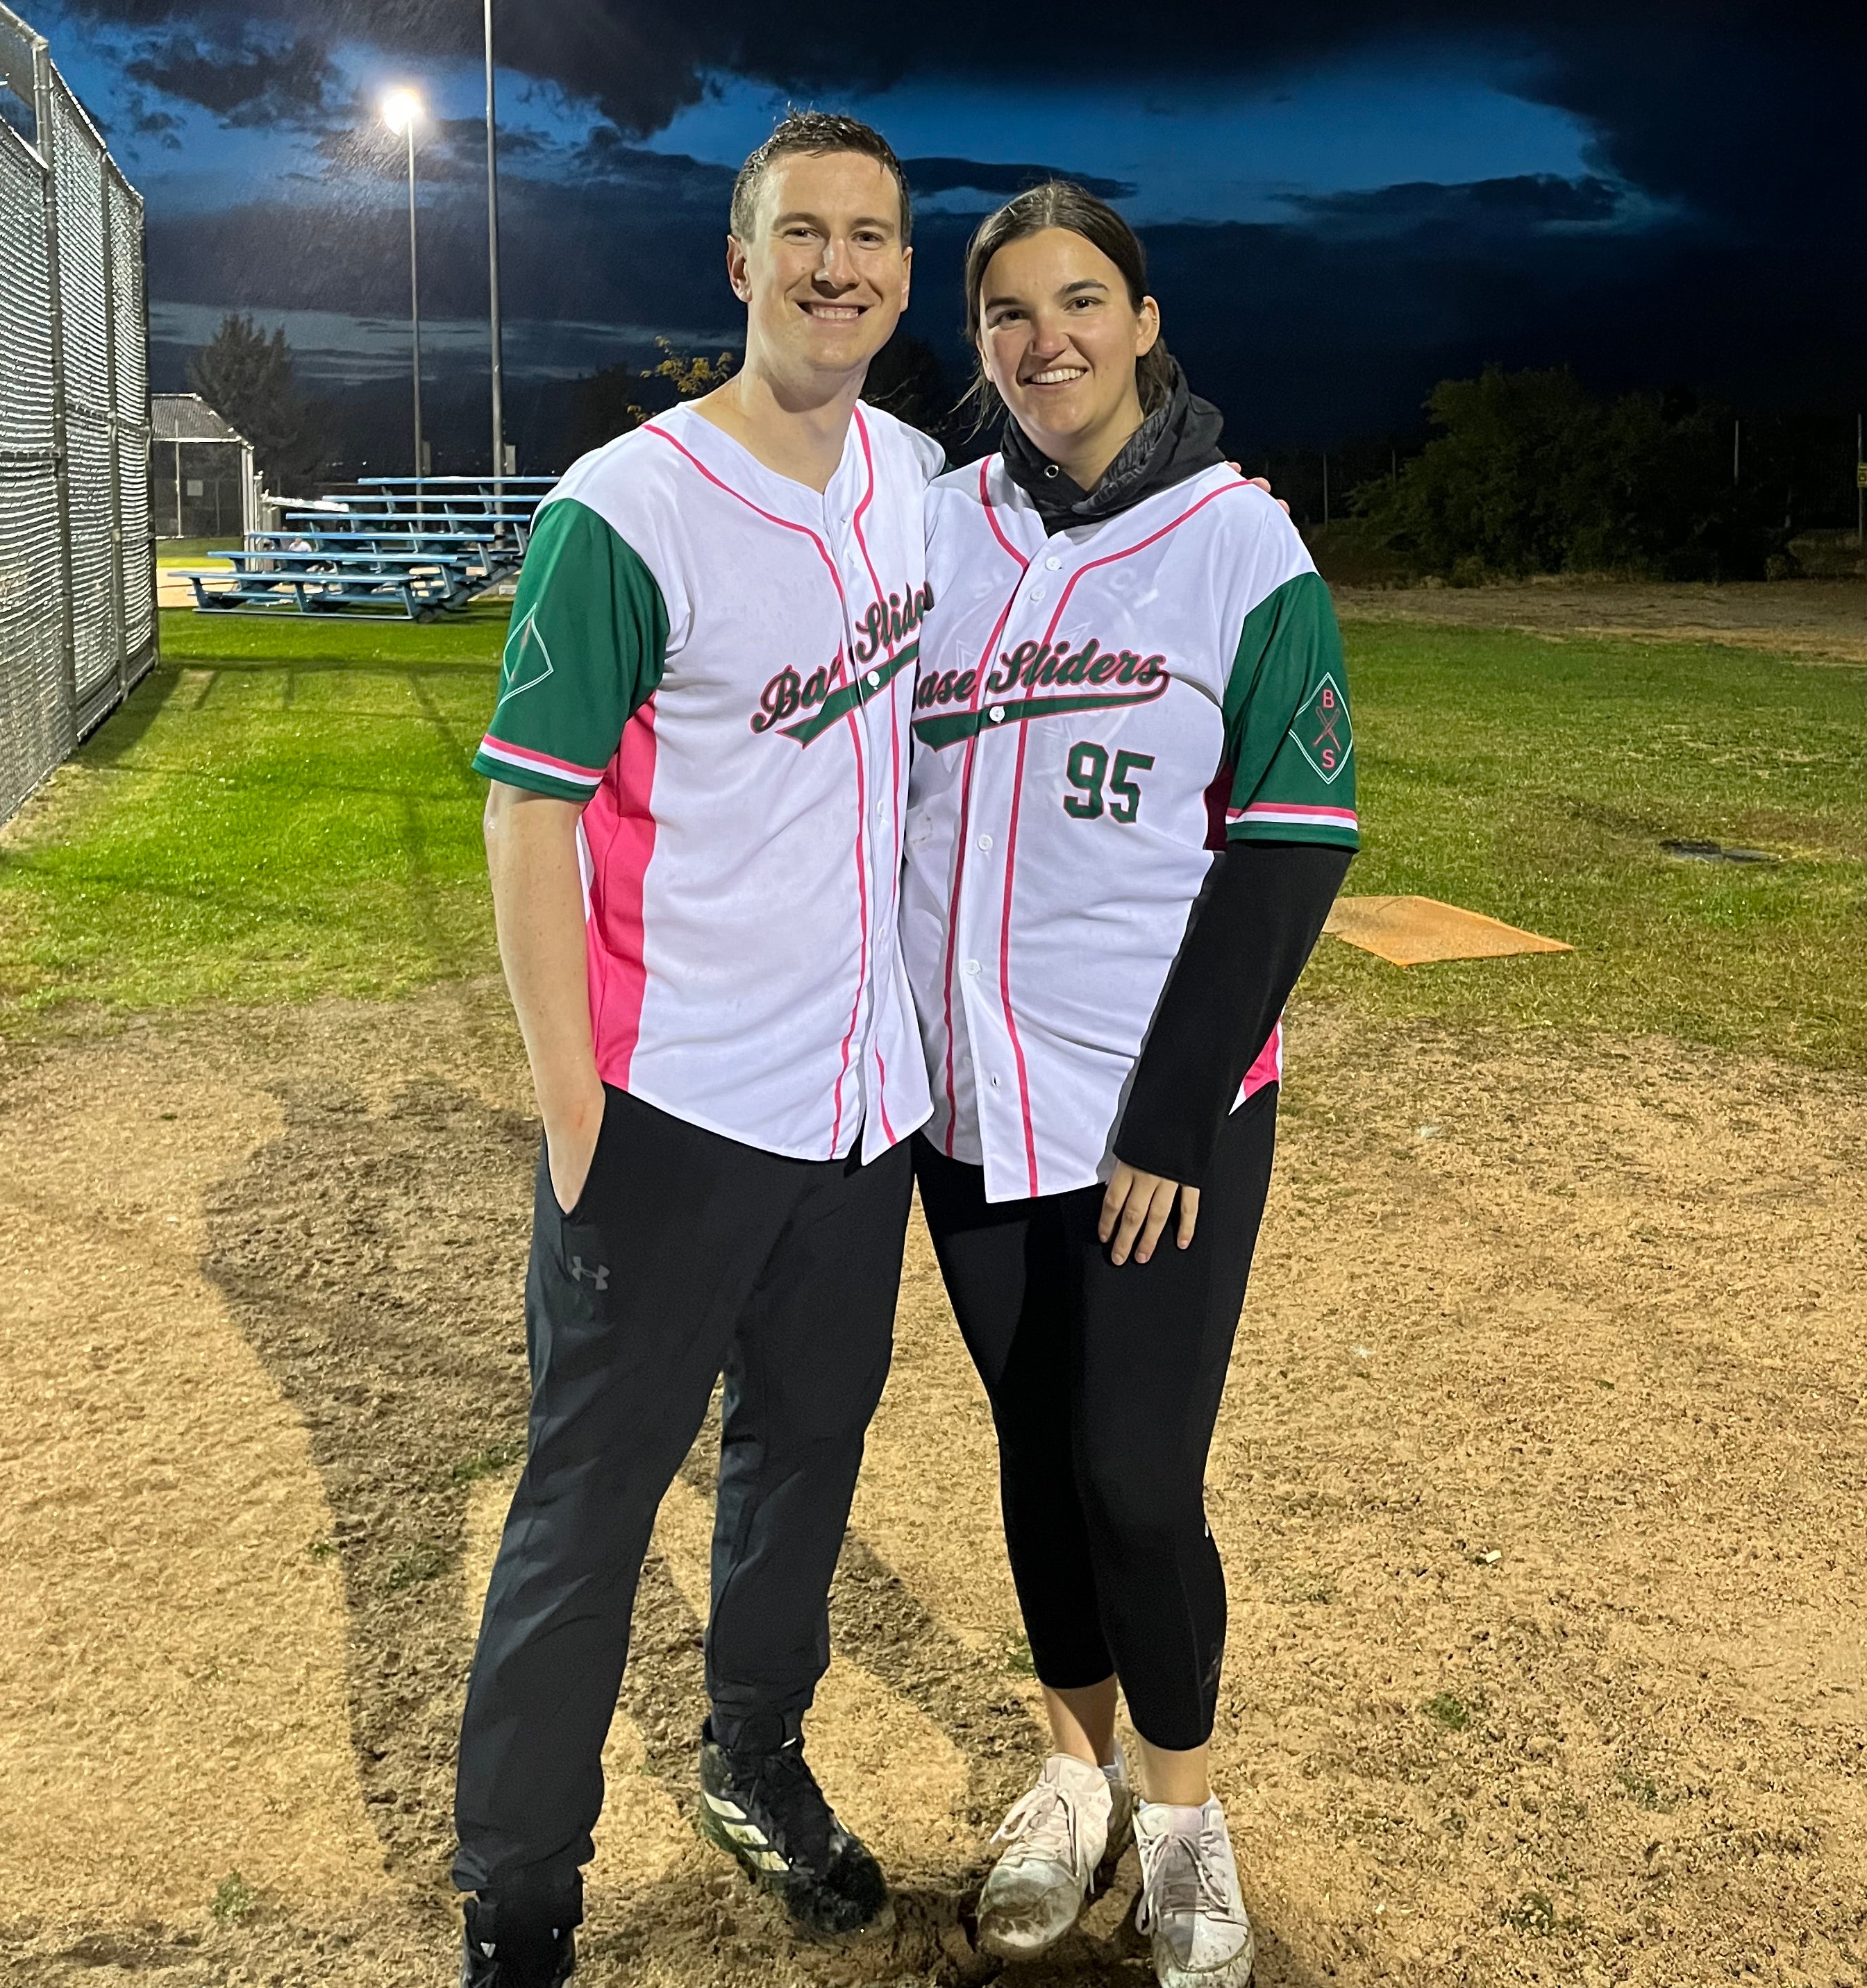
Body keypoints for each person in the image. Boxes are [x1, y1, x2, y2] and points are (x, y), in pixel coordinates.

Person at [453, 112, 941, 1987]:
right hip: (667, 1112)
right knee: (587, 1507)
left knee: (803, 1461)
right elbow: (527, 817)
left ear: (904, 276)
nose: (840, 266)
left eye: (873, 238)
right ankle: (521, 1895)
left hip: (858, 1110)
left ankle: (754, 1762)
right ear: (736, 267)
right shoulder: (627, 505)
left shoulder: (916, 481)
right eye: (801, 234)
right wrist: (574, 1109)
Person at [901, 183, 1356, 1988]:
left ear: (1147, 320)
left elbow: (1297, 837)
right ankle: (1073, 1773)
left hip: (1156, 1108)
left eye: (1081, 302)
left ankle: (1181, 1816)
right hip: (966, 1100)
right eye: (1009, 313)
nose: (1046, 341)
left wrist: (1176, 1104)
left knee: (1137, 1479)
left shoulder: (1242, 545)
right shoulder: (933, 529)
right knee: (1033, 1462)